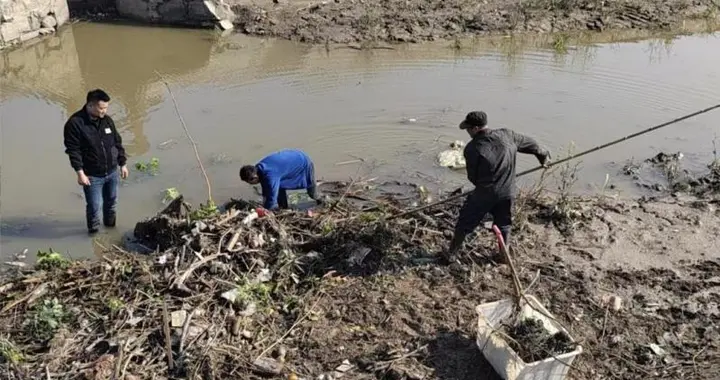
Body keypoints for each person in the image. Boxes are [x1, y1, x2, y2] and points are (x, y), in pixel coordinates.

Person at [444, 111, 550, 262]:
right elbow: (533, 146)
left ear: (475, 128)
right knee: (504, 224)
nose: (467, 132)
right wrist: (543, 157)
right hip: (507, 192)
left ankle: (451, 254)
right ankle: (503, 256)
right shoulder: (507, 135)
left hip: (484, 194)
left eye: (468, 129)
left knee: (464, 223)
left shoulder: (472, 148)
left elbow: (473, 178)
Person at [63, 89, 129, 234]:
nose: (104, 111)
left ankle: (111, 232)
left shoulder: (107, 121)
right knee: (94, 206)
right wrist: (80, 173)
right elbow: (73, 151)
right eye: (101, 108)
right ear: (90, 105)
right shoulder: (75, 124)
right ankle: (93, 236)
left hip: (111, 172)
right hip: (92, 176)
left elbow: (117, 143)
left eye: (106, 107)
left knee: (111, 204)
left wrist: (122, 163)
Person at [239, 149, 322, 210]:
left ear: (254, 178)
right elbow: (266, 190)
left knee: (311, 192)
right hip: (292, 158)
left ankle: (322, 200)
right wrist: (264, 203)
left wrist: (266, 210)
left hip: (303, 163)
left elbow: (272, 198)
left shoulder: (270, 175)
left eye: (249, 182)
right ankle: (284, 206)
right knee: (279, 187)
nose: (250, 184)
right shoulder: (259, 168)